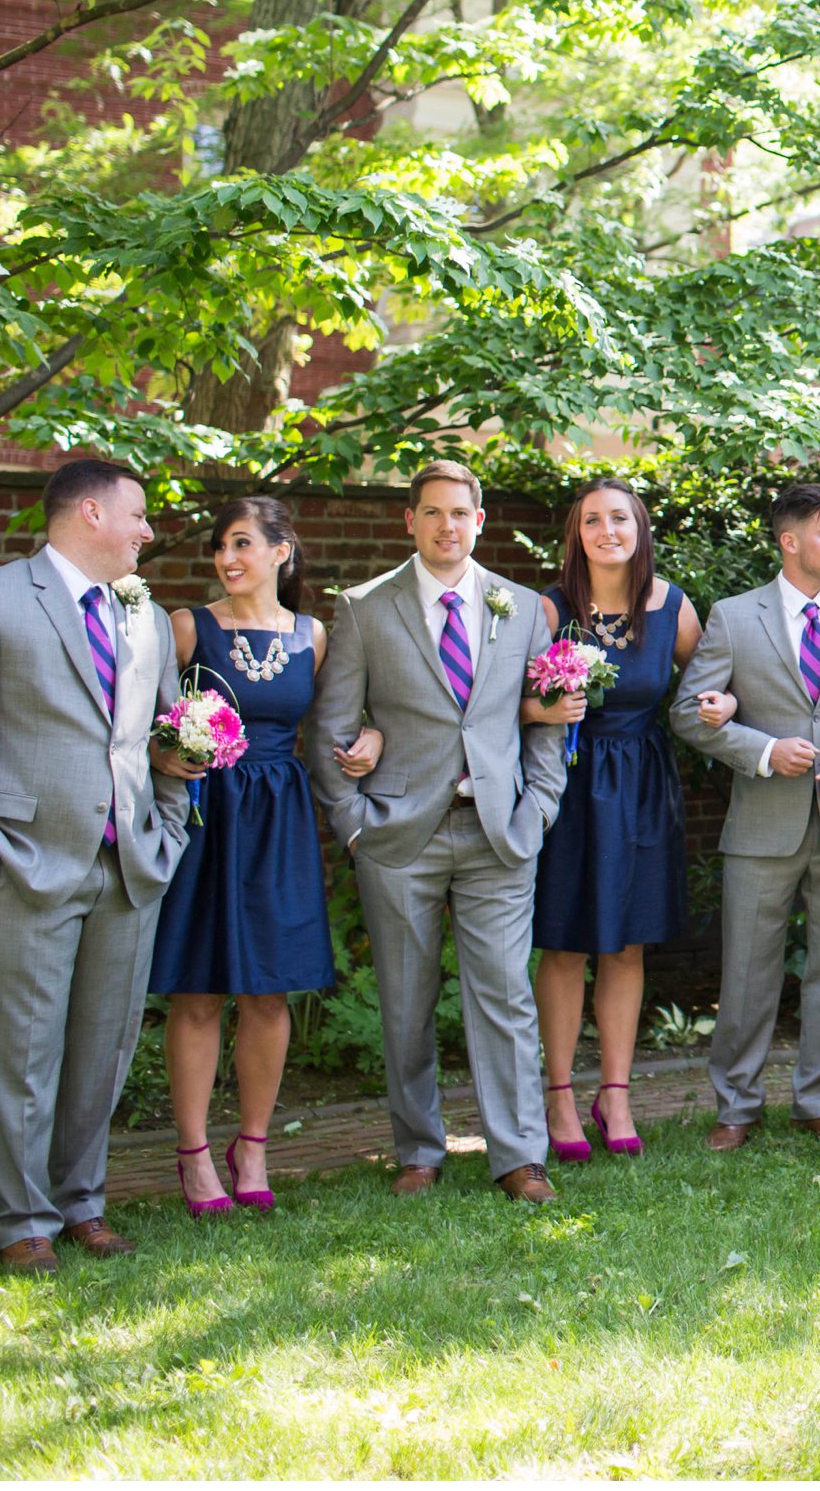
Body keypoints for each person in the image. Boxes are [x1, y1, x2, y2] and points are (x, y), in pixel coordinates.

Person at [0, 459, 198, 1271]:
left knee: (102, 1055)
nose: (147, 531)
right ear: (91, 513)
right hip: (19, 870)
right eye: (138, 515)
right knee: (23, 1056)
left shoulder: (143, 615)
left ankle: (82, 1205)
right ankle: (21, 1222)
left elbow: (168, 737)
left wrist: (167, 831)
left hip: (128, 868)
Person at [306, 459, 570, 1204]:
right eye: (432, 513)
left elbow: (548, 721)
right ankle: (418, 1150)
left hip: (497, 834)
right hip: (398, 836)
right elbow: (330, 731)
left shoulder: (523, 608)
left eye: (460, 513)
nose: (446, 526)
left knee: (506, 997)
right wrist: (354, 827)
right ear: (410, 521)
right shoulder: (364, 608)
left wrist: (537, 810)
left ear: (479, 521)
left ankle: (520, 1157)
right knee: (404, 1000)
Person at [675, 481, 820, 1148]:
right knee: (747, 970)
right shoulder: (733, 617)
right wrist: (766, 751)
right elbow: (688, 711)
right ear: (790, 541)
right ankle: (736, 1107)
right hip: (761, 823)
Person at [152, 497, 346, 1217]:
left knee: (270, 990)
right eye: (220, 546)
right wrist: (162, 753)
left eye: (241, 543)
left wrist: (372, 741)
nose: (227, 558)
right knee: (199, 989)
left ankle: (254, 1146)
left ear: (280, 551)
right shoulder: (186, 627)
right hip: (208, 818)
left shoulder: (313, 636)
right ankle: (194, 1153)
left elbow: (335, 724)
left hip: (280, 821)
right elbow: (138, 719)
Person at [532, 478, 706, 1162]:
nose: (607, 531)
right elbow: (501, 699)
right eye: (592, 520)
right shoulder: (549, 608)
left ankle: (616, 1094)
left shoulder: (673, 607)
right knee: (565, 943)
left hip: (640, 785)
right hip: (569, 784)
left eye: (620, 519)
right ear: (576, 534)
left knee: (627, 944)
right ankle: (558, 1096)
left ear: (640, 529)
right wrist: (539, 709)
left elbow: (710, 684)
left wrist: (722, 704)